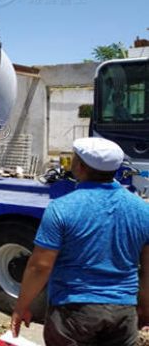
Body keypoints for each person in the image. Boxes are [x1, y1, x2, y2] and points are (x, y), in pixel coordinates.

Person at [10, 137, 149, 345]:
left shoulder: (62, 208)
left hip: (73, 313)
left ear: (81, 167)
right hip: (122, 311)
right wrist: (145, 307)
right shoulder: (142, 209)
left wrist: (21, 307)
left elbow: (40, 266)